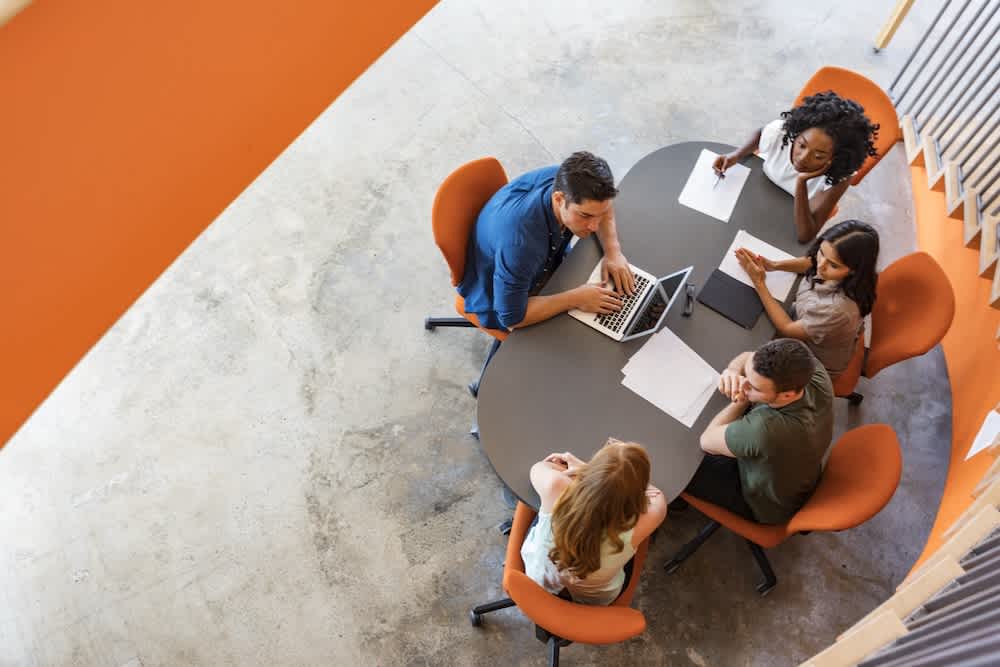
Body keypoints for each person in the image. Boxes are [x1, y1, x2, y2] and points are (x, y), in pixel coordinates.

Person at [458, 151, 635, 331]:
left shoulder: (571, 181)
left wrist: (613, 252)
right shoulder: (521, 246)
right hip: (502, 295)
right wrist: (577, 298)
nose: (594, 226)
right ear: (558, 199)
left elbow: (602, 206)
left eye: (600, 214)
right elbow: (512, 317)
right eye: (585, 216)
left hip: (542, 259)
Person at [680, 339, 833, 525]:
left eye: (754, 387)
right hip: (793, 474)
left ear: (787, 395)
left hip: (764, 503)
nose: (745, 385)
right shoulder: (810, 369)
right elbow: (748, 358)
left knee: (681, 457)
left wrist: (742, 398)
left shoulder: (767, 429)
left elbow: (707, 440)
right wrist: (733, 371)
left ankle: (677, 501)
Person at [713, 92, 879, 243]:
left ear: (835, 158)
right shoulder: (780, 133)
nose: (803, 158)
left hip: (784, 218)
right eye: (802, 145)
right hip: (754, 196)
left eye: (819, 156)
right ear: (797, 133)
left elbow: (805, 235)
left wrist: (801, 182)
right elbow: (761, 132)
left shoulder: (839, 175)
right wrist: (736, 154)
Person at [521, 439, 667, 605]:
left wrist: (590, 472)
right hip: (593, 600)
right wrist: (614, 479)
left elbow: (539, 467)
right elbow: (656, 495)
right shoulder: (651, 516)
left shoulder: (556, 486)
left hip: (541, 578)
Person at [734, 220, 879, 378]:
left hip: (812, 361)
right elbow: (811, 263)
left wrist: (759, 282)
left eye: (833, 265)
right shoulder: (841, 270)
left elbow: (788, 329)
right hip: (808, 322)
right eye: (822, 252)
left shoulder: (836, 310)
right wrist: (774, 265)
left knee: (745, 356)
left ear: (854, 270)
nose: (821, 266)